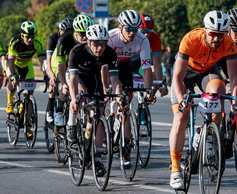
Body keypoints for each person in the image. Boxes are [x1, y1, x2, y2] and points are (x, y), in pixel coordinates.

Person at [169, 11, 237, 190]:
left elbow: (233, 77)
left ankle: (208, 134)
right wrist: (182, 99)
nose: (217, 39)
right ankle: (176, 169)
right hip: (186, 73)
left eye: (220, 35)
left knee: (218, 90)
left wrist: (236, 99)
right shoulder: (191, 39)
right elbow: (177, 77)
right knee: (181, 116)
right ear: (206, 30)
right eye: (213, 34)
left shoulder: (228, 43)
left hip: (208, 71)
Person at [67, 24, 122, 175]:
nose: (99, 48)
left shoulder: (109, 53)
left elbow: (115, 79)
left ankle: (97, 156)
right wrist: (73, 99)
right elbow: (73, 80)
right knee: (79, 96)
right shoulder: (77, 51)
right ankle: (71, 124)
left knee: (99, 113)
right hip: (77, 78)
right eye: (96, 44)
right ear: (89, 42)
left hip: (93, 78)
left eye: (103, 44)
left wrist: (119, 97)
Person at [107, 10, 154, 168]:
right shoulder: (110, 38)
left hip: (125, 66)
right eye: (128, 29)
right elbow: (102, 67)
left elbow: (146, 68)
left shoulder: (142, 40)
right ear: (120, 27)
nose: (132, 33)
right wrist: (106, 88)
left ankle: (125, 150)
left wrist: (148, 91)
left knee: (126, 107)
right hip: (108, 66)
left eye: (135, 29)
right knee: (106, 97)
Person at [6, 21, 48, 138]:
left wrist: (45, 75)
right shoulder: (15, 42)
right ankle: (10, 101)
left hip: (27, 65)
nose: (30, 40)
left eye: (32, 37)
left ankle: (28, 125)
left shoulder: (37, 42)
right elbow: (11, 60)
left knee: (29, 96)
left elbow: (42, 61)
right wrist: (13, 75)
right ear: (22, 35)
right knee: (12, 81)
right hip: (13, 64)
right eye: (28, 37)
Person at [54, 15, 92, 127]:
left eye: (87, 33)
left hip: (81, 66)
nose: (85, 37)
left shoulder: (91, 39)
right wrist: (63, 83)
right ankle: (59, 111)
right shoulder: (64, 40)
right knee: (66, 89)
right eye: (81, 34)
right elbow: (61, 67)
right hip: (64, 63)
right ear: (75, 31)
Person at [45, 18, 73, 125]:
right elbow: (49, 60)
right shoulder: (53, 38)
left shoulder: (72, 39)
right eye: (65, 31)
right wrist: (51, 76)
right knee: (55, 83)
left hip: (66, 63)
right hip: (53, 63)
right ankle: (50, 109)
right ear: (60, 31)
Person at [135, 14, 168, 96]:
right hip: (129, 62)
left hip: (142, 63)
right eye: (143, 31)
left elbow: (157, 63)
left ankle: (147, 99)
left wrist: (160, 83)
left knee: (153, 75)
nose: (146, 35)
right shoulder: (131, 35)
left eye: (149, 31)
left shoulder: (155, 38)